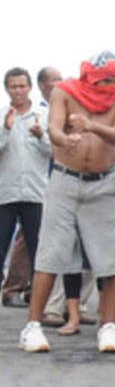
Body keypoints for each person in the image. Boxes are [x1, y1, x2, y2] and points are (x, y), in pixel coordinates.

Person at [20, 51, 115, 353]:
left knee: (113, 258)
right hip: (65, 179)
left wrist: (91, 126)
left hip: (104, 183)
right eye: (105, 80)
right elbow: (54, 128)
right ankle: (32, 326)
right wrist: (63, 139)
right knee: (50, 252)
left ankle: (108, 326)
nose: (111, 85)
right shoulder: (65, 92)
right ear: (91, 76)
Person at [0, 68, 52, 305]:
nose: (18, 91)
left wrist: (41, 135)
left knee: (37, 248)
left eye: (22, 85)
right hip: (6, 192)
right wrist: (6, 129)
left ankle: (37, 297)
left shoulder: (44, 115)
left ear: (30, 87)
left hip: (36, 193)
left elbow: (55, 152)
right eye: (13, 86)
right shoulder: (2, 115)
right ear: (7, 89)